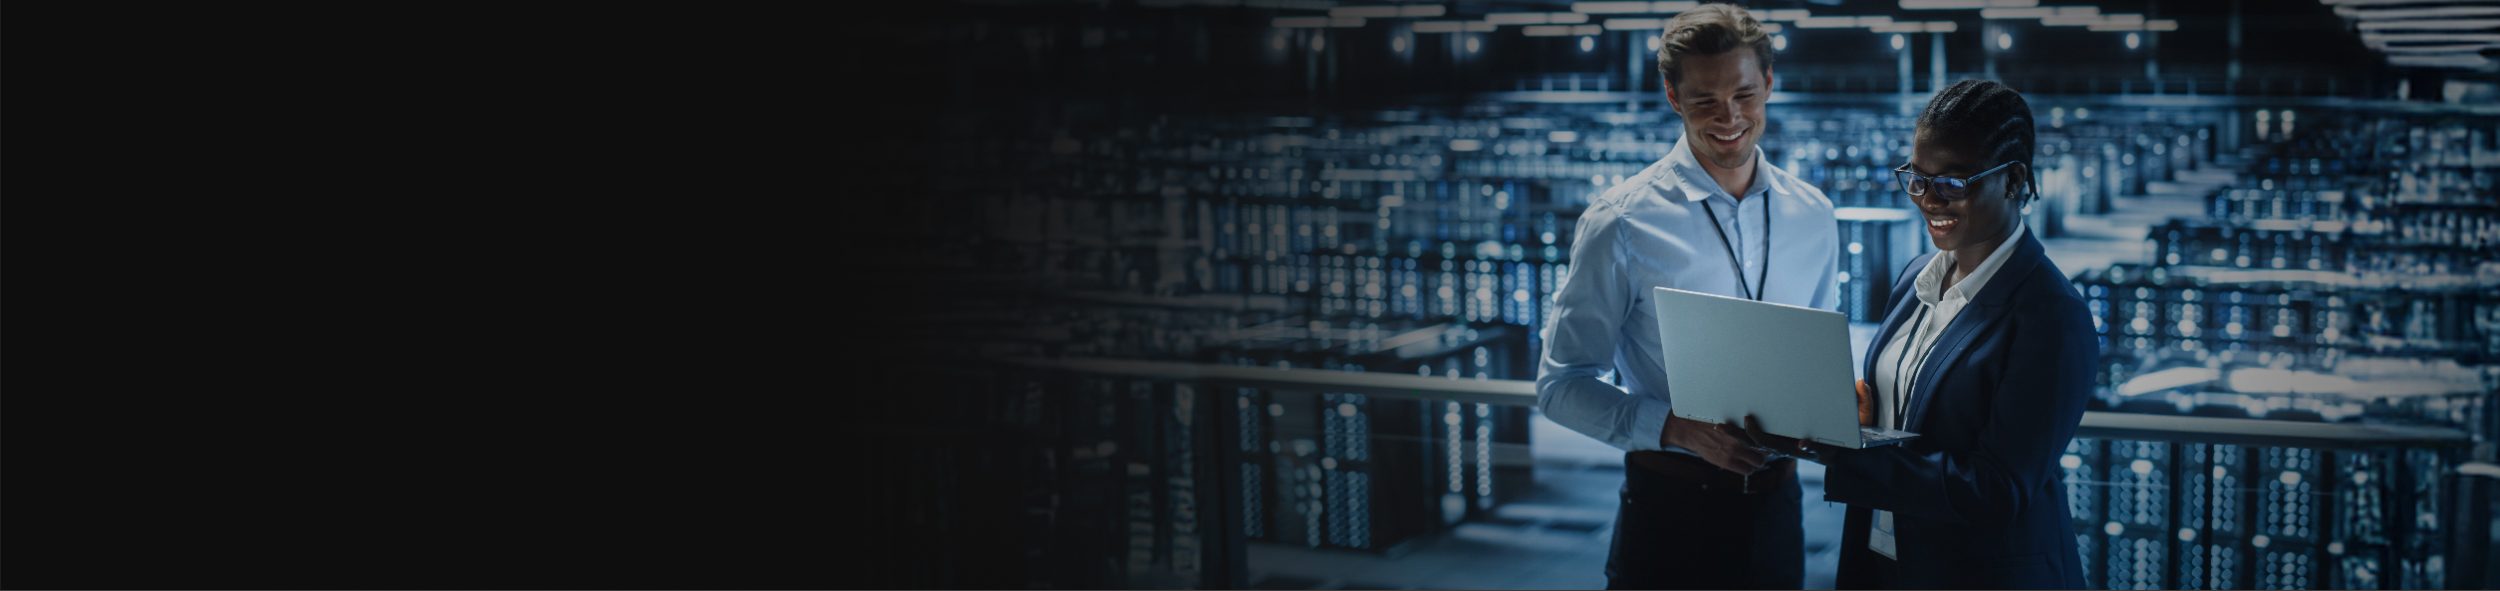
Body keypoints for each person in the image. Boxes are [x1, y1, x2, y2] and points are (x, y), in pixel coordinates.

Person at [1532, 4, 1839, 589]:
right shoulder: (1621, 223)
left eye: (1745, 94)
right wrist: (1675, 429)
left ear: (1769, 84)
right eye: (1704, 101)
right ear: (1673, 97)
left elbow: (1814, 358)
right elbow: (1559, 387)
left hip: (1779, 510)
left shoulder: (1814, 215)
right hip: (1670, 513)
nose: (1729, 118)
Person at [1774, 79, 2096, 589]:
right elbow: (1911, 415)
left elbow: (1996, 490)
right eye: (1917, 179)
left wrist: (1845, 456)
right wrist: (1847, 421)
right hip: (1886, 558)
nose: (1928, 199)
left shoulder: (2050, 316)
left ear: (2013, 181)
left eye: (1953, 183)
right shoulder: (1915, 277)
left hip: (1978, 574)